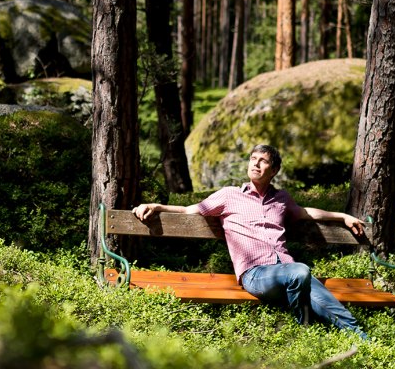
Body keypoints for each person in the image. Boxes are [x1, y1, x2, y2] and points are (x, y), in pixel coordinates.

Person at [131, 144, 369, 339]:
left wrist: (343, 216)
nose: (255, 163)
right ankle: (303, 328)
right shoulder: (229, 196)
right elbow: (189, 210)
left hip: (285, 269)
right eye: (253, 158)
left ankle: (363, 340)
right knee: (302, 272)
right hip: (255, 275)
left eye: (263, 160)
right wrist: (156, 206)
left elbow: (306, 212)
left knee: (328, 302)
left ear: (274, 170)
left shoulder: (281, 198)